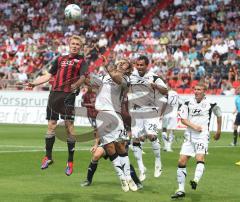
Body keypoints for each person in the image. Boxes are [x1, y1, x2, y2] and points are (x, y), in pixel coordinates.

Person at [28, 35, 88, 176]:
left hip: (68, 94)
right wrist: (34, 83)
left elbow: (84, 76)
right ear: (69, 44)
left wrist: (76, 85)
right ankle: (48, 157)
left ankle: (70, 162)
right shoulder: (60, 59)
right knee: (51, 125)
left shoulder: (81, 61)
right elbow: (48, 75)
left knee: (69, 126)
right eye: (72, 43)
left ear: (80, 47)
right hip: (54, 94)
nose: (74, 46)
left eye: (77, 44)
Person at [92, 59, 138, 192]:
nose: (120, 63)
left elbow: (116, 78)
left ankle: (129, 176)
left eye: (124, 63)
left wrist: (108, 67)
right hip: (101, 114)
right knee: (110, 148)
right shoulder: (105, 76)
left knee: (120, 146)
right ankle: (122, 178)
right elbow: (92, 82)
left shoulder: (125, 79)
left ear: (128, 69)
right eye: (120, 62)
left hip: (115, 115)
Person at [171, 82, 222, 199]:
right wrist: (194, 126)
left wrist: (218, 131)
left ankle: (195, 180)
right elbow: (183, 120)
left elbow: (219, 114)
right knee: (181, 161)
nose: (197, 91)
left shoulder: (210, 104)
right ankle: (180, 189)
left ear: (204, 91)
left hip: (202, 136)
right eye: (195, 89)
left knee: (200, 158)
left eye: (199, 89)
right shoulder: (187, 103)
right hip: (189, 136)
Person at [128, 55, 168, 182]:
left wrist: (156, 86)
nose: (139, 67)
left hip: (151, 111)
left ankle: (158, 162)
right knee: (136, 140)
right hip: (136, 112)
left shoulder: (154, 77)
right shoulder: (131, 76)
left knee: (151, 135)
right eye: (137, 65)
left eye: (142, 65)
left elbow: (165, 91)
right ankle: (141, 168)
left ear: (147, 65)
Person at [162, 87, 180, 152]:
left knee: (164, 129)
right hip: (174, 114)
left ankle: (165, 145)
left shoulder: (166, 94)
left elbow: (164, 103)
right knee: (172, 131)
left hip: (166, 113)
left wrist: (161, 113)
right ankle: (168, 147)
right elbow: (180, 103)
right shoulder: (176, 94)